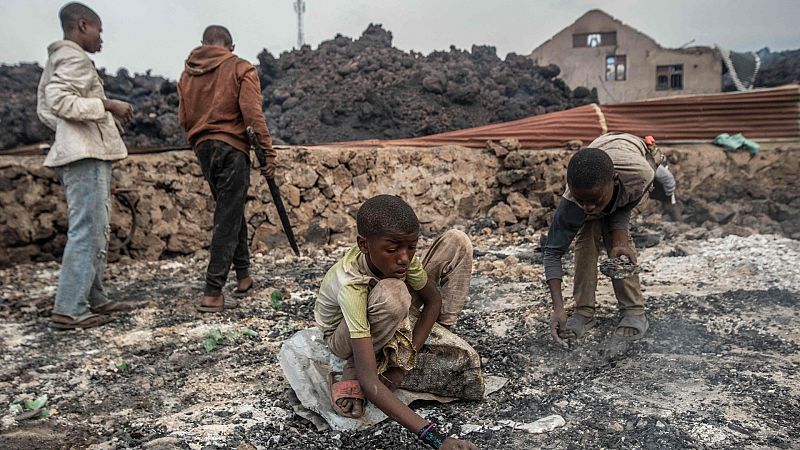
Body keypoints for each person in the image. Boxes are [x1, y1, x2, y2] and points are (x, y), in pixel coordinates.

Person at [314, 195, 477, 450]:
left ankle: (436, 338)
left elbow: (433, 301)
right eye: (393, 249)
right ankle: (353, 364)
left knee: (457, 241)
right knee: (394, 293)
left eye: (411, 247)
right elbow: (370, 384)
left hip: (385, 305)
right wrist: (437, 440)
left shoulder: (400, 260)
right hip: (342, 335)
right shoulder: (351, 284)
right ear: (363, 245)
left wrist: (403, 364)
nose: (404, 257)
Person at [37, 2, 135, 330]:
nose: (101, 37)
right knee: (88, 229)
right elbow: (59, 102)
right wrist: (107, 105)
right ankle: (69, 308)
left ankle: (94, 296)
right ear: (82, 25)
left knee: (97, 227)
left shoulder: (59, 58)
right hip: (85, 156)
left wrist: (70, 132)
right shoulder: (72, 56)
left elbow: (46, 109)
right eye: (98, 29)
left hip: (84, 151)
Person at [177, 25, 276, 312]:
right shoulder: (240, 68)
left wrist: (200, 140)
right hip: (232, 148)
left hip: (203, 147)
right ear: (230, 46)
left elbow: (183, 118)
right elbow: (252, 115)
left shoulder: (187, 75)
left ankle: (243, 276)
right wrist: (267, 154)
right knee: (228, 214)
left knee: (231, 210)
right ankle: (212, 292)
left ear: (204, 44)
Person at [544, 132, 656, 342]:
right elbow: (552, 253)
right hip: (602, 152)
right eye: (582, 200)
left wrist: (620, 239)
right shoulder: (572, 202)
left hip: (632, 156)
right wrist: (558, 309)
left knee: (616, 238)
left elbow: (628, 203)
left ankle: (633, 310)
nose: (588, 207)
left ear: (614, 181)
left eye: (594, 200)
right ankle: (584, 312)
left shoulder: (640, 175)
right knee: (587, 233)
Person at [644, 136, 681, 222]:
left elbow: (668, 179)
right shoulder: (649, 156)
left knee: (671, 205)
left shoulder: (652, 161)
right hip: (652, 184)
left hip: (661, 186)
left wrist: (668, 195)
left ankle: (679, 225)